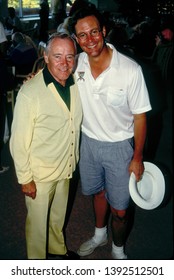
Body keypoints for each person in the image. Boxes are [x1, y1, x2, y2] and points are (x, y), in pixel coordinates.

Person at [69, 6, 152, 259]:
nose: (89, 40)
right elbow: (54, 70)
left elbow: (140, 117)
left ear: (104, 31)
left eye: (94, 32)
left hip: (120, 147)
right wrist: (33, 78)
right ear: (77, 39)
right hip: (89, 143)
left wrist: (137, 157)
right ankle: (99, 234)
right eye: (82, 35)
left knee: (121, 210)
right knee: (98, 193)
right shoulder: (78, 62)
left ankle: (118, 249)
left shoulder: (129, 70)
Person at [9, 33, 83, 259]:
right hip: (39, 174)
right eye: (58, 56)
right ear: (46, 56)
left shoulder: (78, 84)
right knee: (38, 225)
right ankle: (37, 264)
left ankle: (57, 250)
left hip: (65, 165)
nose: (64, 63)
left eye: (70, 57)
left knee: (58, 217)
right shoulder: (30, 92)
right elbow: (18, 141)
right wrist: (25, 178)